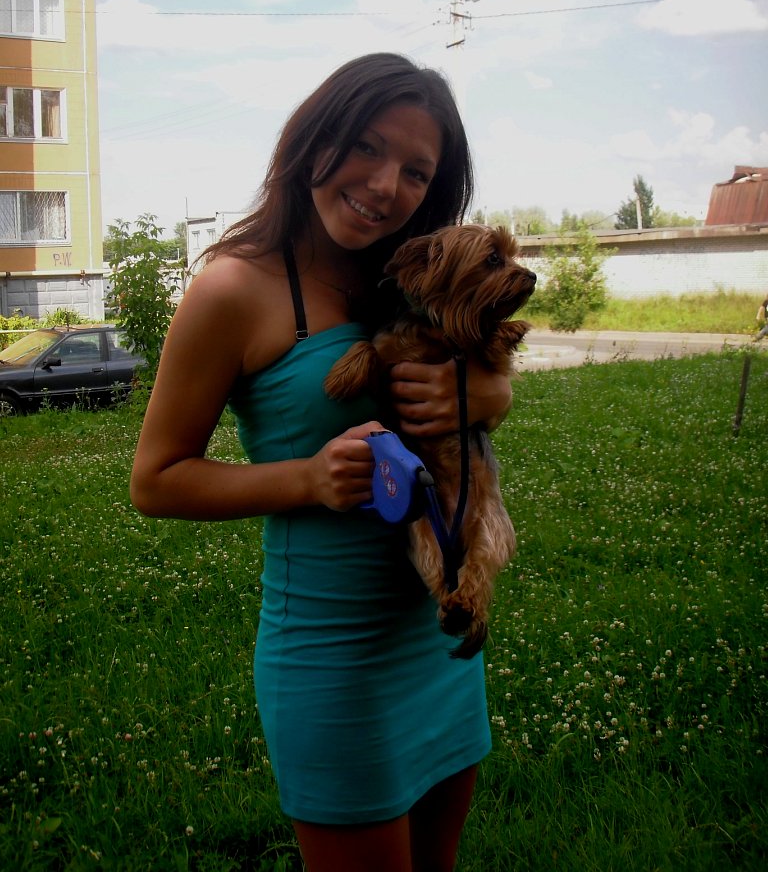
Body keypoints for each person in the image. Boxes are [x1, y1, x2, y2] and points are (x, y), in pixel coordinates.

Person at [130, 53, 513, 872]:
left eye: (416, 171)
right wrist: (306, 479)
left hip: (441, 637)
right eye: (367, 147)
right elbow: (156, 480)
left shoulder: (404, 276)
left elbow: (477, 361)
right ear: (314, 139)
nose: (385, 185)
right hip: (333, 659)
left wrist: (490, 395)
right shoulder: (231, 289)